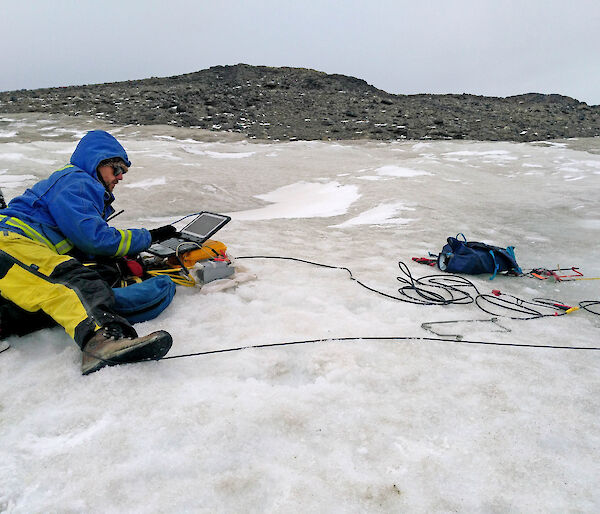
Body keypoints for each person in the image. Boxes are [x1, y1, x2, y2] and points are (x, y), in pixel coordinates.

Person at [0, 130, 178, 375]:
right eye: (117, 169)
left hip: (12, 251)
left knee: (28, 307)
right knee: (68, 282)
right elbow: (95, 239)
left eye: (124, 172)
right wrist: (149, 236)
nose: (120, 177)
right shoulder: (78, 181)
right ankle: (102, 340)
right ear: (98, 162)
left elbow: (84, 245)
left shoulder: (76, 184)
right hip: (9, 243)